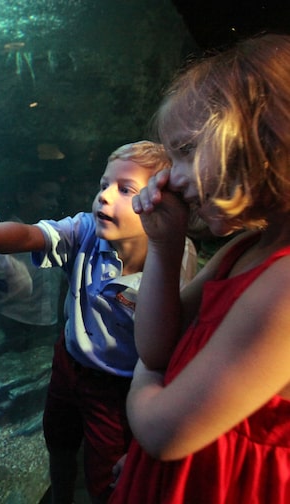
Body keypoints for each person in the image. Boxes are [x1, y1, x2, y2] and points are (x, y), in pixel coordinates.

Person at [0, 141, 196, 504]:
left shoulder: (177, 259)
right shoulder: (85, 231)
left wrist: (145, 447)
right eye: (103, 186)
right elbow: (30, 234)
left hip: (122, 390)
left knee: (109, 472)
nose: (105, 197)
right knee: (59, 439)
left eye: (124, 189)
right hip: (69, 364)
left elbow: (180, 348)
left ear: (161, 203)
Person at [108, 33, 290, 503]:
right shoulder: (245, 248)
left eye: (186, 151)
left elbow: (167, 430)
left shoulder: (286, 280)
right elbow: (157, 345)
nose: (171, 178)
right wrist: (165, 247)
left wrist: (143, 383)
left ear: (264, 139)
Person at [0, 172, 64, 355]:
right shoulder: (2, 235)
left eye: (57, 198)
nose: (54, 204)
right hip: (13, 324)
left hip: (49, 323)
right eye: (47, 196)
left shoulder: (59, 235)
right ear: (23, 196)